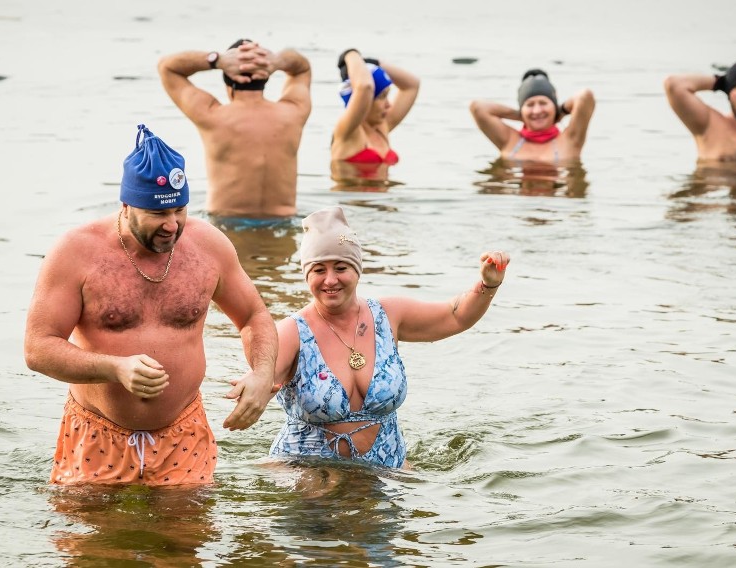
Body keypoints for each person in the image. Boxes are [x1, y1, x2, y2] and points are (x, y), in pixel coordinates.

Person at [23, 124, 278, 485]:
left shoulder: (209, 247)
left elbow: (254, 315)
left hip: (183, 432)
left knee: (184, 537)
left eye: (180, 210)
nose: (172, 226)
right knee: (93, 538)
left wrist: (262, 374)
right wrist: (114, 368)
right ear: (126, 206)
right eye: (158, 214)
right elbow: (38, 348)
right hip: (97, 430)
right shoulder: (75, 252)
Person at [263, 206, 509, 469]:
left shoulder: (388, 315)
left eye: (341, 267)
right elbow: (263, 376)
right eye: (319, 270)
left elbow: (455, 315)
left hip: (387, 471)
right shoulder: (291, 331)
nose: (330, 279)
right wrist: (254, 387)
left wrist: (488, 284)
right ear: (306, 275)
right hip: (307, 475)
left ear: (357, 270)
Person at [158, 39, 311, 219]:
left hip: (227, 225)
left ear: (227, 79)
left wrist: (215, 60)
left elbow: (166, 67)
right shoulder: (293, 113)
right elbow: (302, 67)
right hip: (282, 223)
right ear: (266, 75)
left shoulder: (211, 115)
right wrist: (277, 61)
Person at [330, 49, 420, 188]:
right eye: (382, 97)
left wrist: (375, 63)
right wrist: (350, 54)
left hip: (381, 206)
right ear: (365, 100)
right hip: (353, 206)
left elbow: (412, 85)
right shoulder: (348, 132)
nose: (388, 104)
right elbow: (365, 87)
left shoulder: (382, 127)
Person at [469, 69, 595, 163]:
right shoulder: (508, 140)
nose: (537, 110)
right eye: (529, 105)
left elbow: (585, 97)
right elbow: (478, 107)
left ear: (554, 106)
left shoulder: (570, 141)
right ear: (522, 109)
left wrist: (560, 112)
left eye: (543, 103)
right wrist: (522, 116)